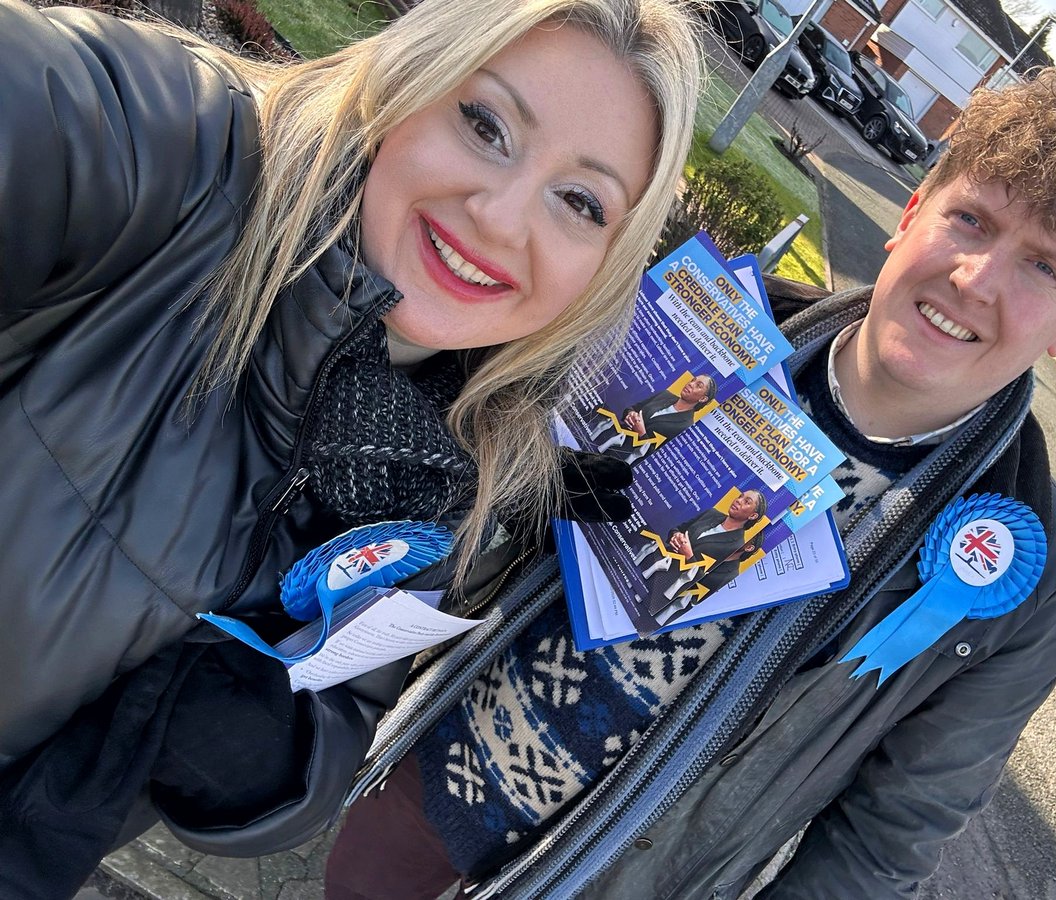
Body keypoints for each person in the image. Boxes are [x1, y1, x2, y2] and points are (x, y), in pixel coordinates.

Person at [326, 68, 1056, 899]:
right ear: (914, 210)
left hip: (627, 873)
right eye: (971, 220)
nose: (977, 279)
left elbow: (889, 834)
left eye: (1042, 267)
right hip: (437, 760)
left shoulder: (1032, 565)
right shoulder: (707, 326)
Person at [0, 0, 702, 895]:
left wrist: (270, 758)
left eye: (580, 201)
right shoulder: (173, 152)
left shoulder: (460, 452)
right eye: (485, 123)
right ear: (408, 81)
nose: (500, 217)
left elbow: (339, 725)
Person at [638, 488, 767, 620]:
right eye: (740, 496)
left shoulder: (736, 546)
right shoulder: (712, 513)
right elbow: (678, 529)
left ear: (752, 516)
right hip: (651, 564)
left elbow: (704, 584)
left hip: (666, 590)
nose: (738, 501)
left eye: (747, 502)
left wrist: (689, 556)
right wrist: (676, 535)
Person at [591, 373, 718, 462]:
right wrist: (631, 414)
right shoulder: (665, 394)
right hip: (604, 439)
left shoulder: (686, 426)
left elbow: (657, 458)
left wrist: (642, 434)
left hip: (620, 460)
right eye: (693, 380)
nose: (691, 384)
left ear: (702, 399)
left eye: (698, 385)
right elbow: (632, 408)